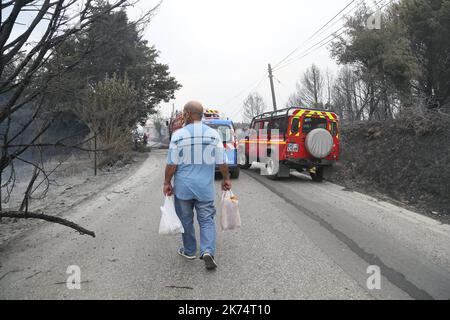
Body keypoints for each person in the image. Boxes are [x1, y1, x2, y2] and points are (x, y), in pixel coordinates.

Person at [163, 101, 231, 270]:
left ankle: (190, 250)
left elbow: (172, 164)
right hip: (205, 189)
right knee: (207, 220)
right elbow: (222, 161)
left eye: (183, 113)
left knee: (186, 220)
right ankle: (207, 250)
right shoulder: (213, 135)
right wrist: (226, 178)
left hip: (184, 188)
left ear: (187, 113)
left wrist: (166, 182)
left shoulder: (178, 135)